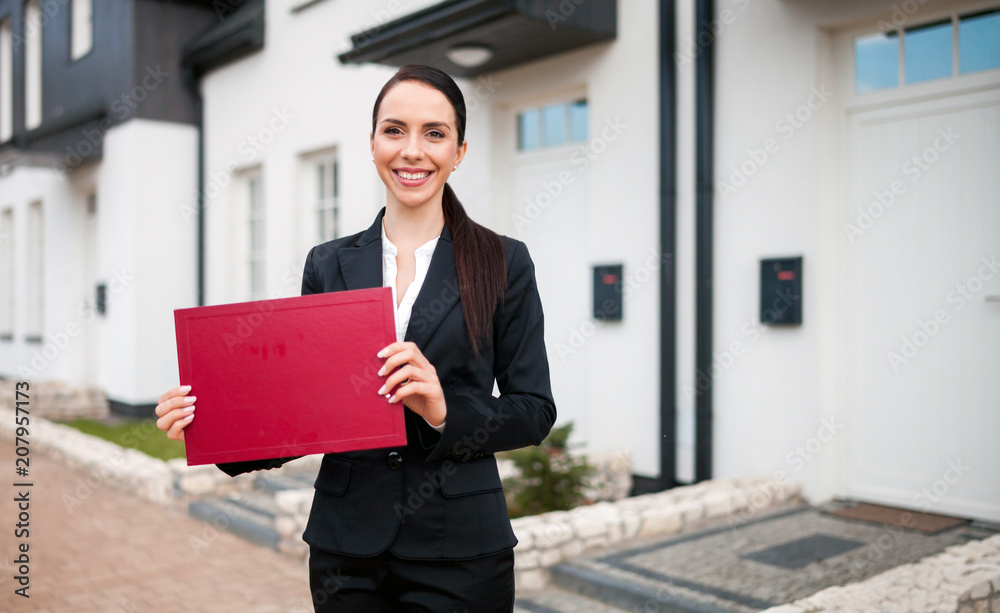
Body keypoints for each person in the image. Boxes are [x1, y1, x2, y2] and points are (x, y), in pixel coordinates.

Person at [154, 64, 556, 612]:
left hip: (461, 551)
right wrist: (215, 426)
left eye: (434, 133)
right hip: (346, 552)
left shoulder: (503, 261)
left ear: (459, 151)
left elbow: (533, 410)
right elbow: (302, 407)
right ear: (372, 144)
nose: (412, 150)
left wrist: (443, 409)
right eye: (394, 130)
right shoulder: (328, 264)